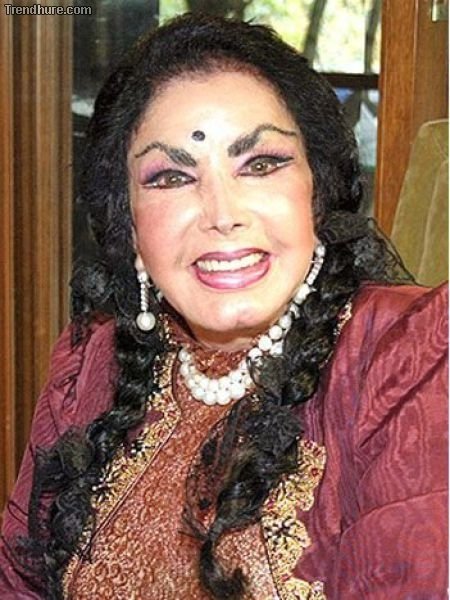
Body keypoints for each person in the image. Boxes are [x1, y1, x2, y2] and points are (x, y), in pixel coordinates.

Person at [0, 13, 447, 600]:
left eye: (260, 165)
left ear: (316, 189)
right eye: (171, 178)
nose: (222, 214)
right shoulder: (91, 363)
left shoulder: (411, 354)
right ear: (127, 222)